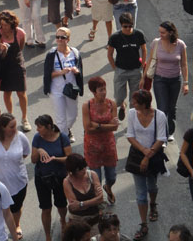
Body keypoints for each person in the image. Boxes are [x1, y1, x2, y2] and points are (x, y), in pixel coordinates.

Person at [125, 89, 168, 241]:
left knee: (152, 186)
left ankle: (153, 203)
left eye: (135, 102)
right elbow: (130, 135)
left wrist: (147, 157)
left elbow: (161, 138)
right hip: (137, 155)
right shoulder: (131, 114)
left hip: (153, 157)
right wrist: (143, 152)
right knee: (140, 193)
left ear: (144, 104)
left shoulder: (159, 116)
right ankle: (143, 224)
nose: (132, 104)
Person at [144, 20, 188, 142]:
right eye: (160, 32)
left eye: (163, 32)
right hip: (160, 80)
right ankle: (161, 135)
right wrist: (144, 78)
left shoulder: (180, 45)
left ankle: (170, 132)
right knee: (162, 108)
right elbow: (151, 59)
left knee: (172, 108)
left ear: (170, 32)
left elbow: (184, 64)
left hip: (175, 80)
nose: (160, 34)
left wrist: (186, 83)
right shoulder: (156, 43)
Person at [31, 114, 72, 241]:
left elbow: (69, 159)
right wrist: (39, 151)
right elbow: (33, 160)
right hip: (42, 177)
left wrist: (55, 159)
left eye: (40, 127)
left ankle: (63, 221)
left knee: (61, 205)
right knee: (46, 208)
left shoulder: (62, 138)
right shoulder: (37, 138)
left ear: (49, 127)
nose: (37, 130)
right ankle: (48, 235)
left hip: (59, 177)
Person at [82, 76, 118, 205]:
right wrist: (105, 126)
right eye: (101, 90)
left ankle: (108, 187)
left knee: (112, 176)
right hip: (92, 147)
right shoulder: (87, 106)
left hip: (108, 145)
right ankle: (99, 199)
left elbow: (115, 126)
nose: (104, 92)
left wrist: (97, 125)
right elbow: (87, 128)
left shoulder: (111, 104)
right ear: (93, 92)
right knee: (95, 178)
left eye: (104, 89)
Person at [43, 27, 84, 142]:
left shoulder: (75, 53)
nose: (60, 40)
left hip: (71, 88)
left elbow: (80, 69)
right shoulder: (51, 54)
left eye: (63, 37)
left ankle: (66, 129)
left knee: (73, 115)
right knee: (60, 118)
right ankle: (64, 141)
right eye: (57, 37)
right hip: (56, 90)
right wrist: (60, 72)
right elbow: (47, 75)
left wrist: (76, 71)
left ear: (68, 39)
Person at [107, 13, 147, 123]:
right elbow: (110, 54)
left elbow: (144, 50)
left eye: (130, 26)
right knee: (119, 99)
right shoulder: (115, 37)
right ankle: (122, 106)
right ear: (121, 25)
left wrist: (142, 66)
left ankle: (133, 120)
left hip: (135, 70)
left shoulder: (139, 34)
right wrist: (115, 68)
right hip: (121, 70)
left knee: (134, 99)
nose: (128, 28)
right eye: (125, 26)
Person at [0, 10, 29, 130]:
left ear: (12, 23)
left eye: (6, 24)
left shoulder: (19, 33)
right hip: (4, 66)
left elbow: (21, 47)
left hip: (17, 64)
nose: (3, 27)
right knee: (7, 92)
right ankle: (10, 116)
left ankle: (24, 118)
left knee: (21, 92)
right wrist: (1, 49)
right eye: (2, 24)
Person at [62, 153, 104, 230]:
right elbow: (75, 207)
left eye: (84, 167)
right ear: (72, 171)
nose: (84, 170)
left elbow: (100, 199)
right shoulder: (67, 182)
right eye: (80, 169)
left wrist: (81, 204)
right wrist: (94, 201)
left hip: (95, 219)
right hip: (77, 221)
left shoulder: (92, 175)